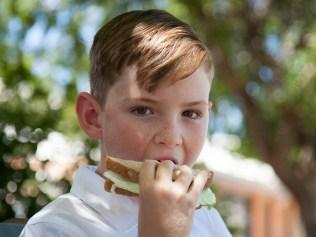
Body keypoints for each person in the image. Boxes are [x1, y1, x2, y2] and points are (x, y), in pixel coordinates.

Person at [20, 9, 232, 237]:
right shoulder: (54, 228)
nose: (171, 137)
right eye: (143, 110)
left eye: (190, 114)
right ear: (93, 116)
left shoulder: (205, 218)